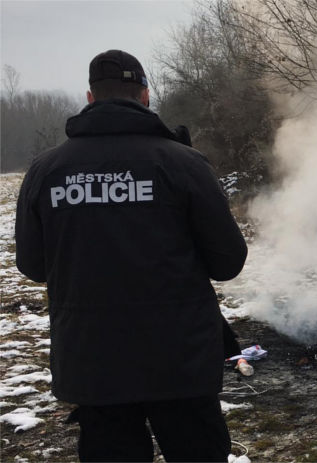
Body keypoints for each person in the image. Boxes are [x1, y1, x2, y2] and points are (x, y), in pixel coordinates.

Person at [15, 50, 247, 462]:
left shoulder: (46, 170)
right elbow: (228, 262)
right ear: (144, 96)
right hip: (181, 362)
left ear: (90, 98)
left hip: (93, 364)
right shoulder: (184, 164)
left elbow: (32, 266)